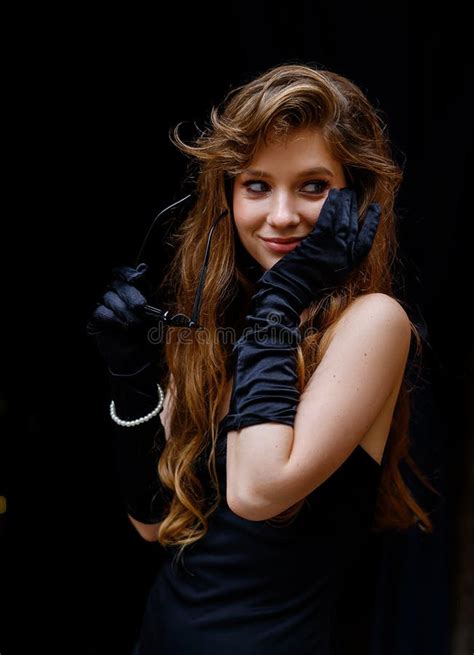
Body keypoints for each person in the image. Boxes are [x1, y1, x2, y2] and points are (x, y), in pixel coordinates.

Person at [86, 63, 439, 655]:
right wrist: (132, 383)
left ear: (356, 197)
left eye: (313, 186)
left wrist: (279, 299)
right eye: (256, 185)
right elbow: (152, 524)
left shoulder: (373, 321)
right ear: (226, 197)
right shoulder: (220, 329)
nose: (281, 216)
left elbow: (258, 491)